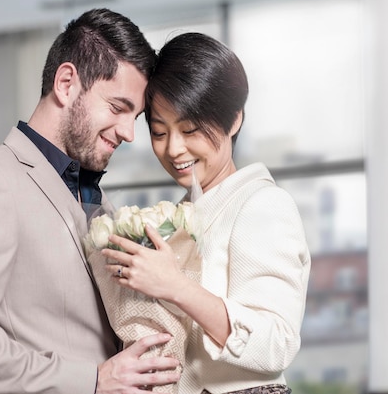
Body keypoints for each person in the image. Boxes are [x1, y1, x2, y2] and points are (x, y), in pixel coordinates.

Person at [0, 8, 181, 394]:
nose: (128, 133)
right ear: (67, 83)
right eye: (118, 108)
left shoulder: (97, 200)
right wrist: (91, 381)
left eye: (135, 116)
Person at [102, 32, 311, 394]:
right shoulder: (176, 219)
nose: (174, 149)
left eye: (190, 129)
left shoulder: (262, 205)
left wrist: (176, 287)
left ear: (233, 120)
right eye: (159, 132)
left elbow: (277, 343)